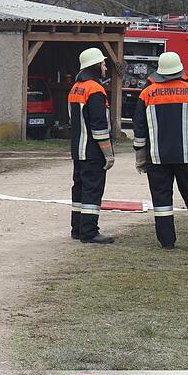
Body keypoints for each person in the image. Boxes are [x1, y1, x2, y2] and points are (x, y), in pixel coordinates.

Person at [133, 51, 188, 251]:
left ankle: (167, 242)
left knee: (161, 200)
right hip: (187, 157)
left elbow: (139, 129)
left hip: (157, 157)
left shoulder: (146, 94)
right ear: (179, 70)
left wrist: (140, 157)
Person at [68, 47, 116, 244]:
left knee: (79, 189)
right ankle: (89, 232)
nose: (105, 67)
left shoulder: (75, 88)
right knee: (92, 190)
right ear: (95, 66)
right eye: (103, 63)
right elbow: (99, 126)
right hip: (92, 151)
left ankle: (77, 229)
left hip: (78, 149)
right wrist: (108, 153)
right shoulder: (95, 90)